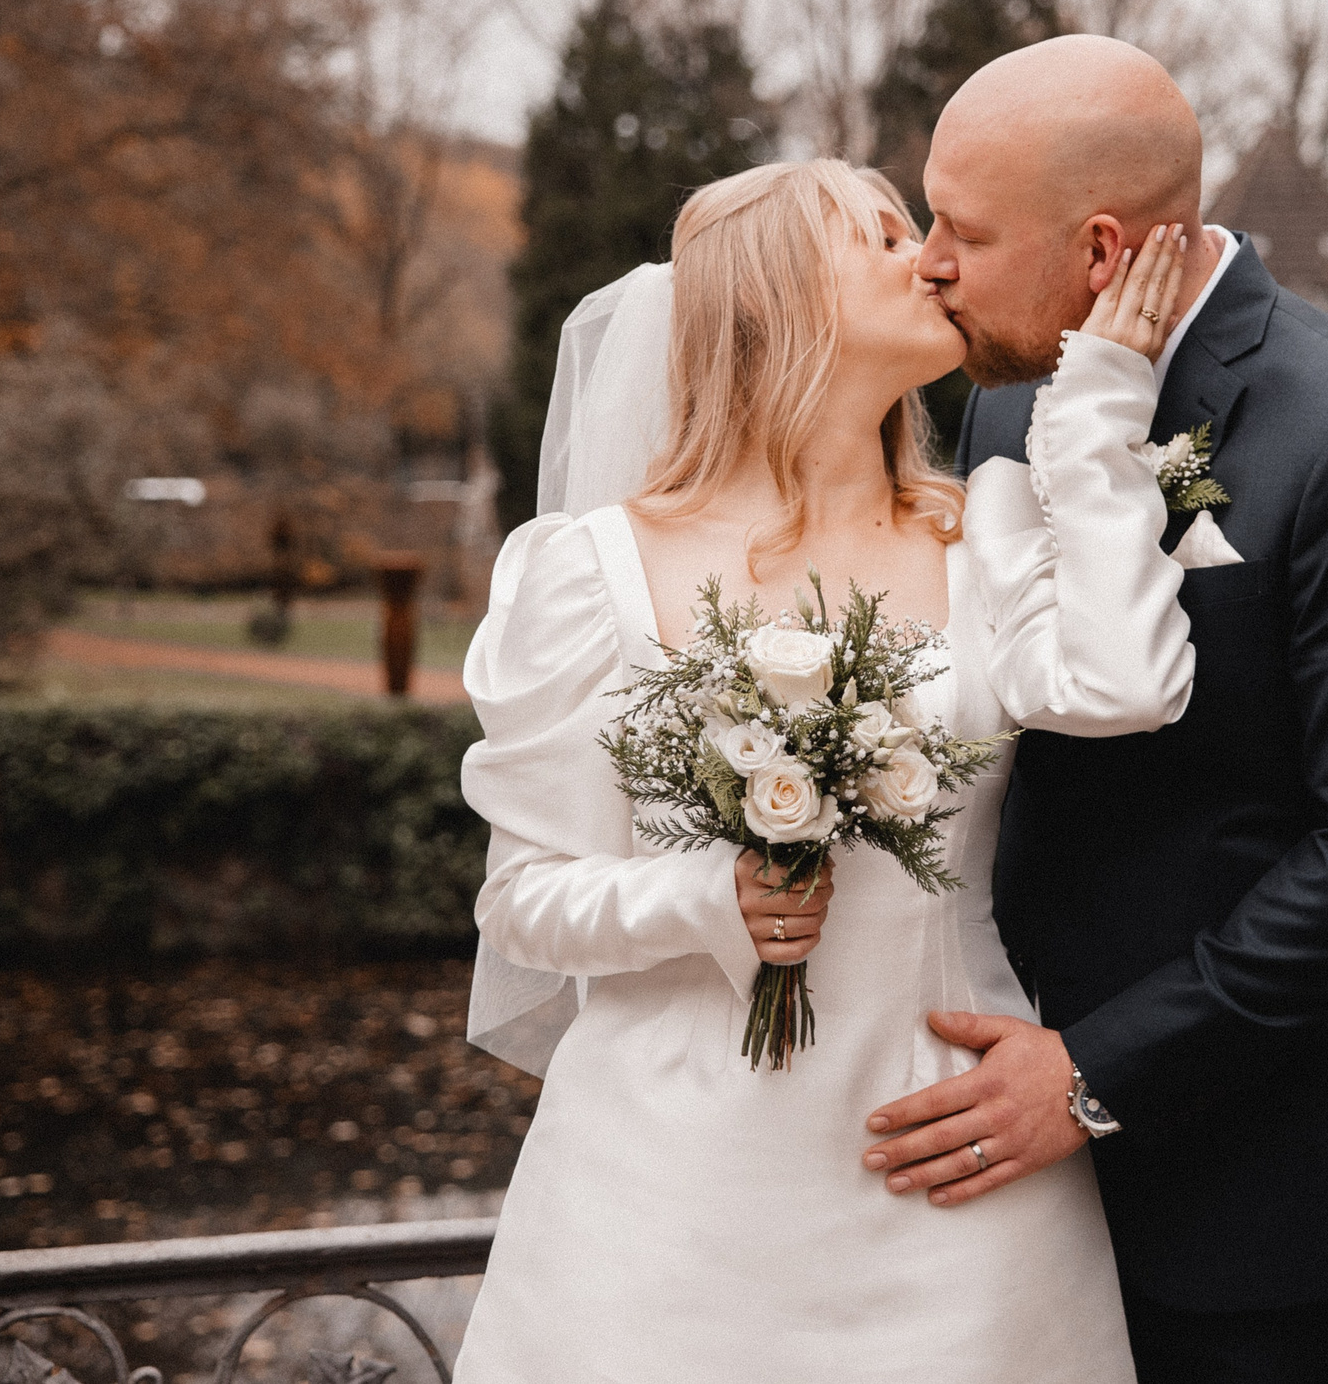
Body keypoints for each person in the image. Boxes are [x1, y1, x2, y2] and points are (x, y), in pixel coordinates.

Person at [453, 159, 1201, 1383]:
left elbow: (1123, 687)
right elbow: (524, 898)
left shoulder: (989, 522)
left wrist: (1103, 395)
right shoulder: (586, 573)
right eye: (880, 235)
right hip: (666, 1200)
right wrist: (709, 899)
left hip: (949, 1167)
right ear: (774, 301)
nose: (930, 259)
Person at [865, 35, 1328, 1384]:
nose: (927, 257)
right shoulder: (1007, 409)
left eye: (964, 229)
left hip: (1294, 1198)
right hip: (1030, 1194)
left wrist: (1094, 1071)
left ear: (1102, 253)